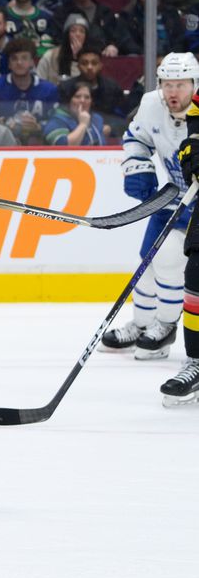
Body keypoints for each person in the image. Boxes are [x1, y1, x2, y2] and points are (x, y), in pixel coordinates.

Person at [105, 55, 194, 366]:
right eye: (168, 84)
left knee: (169, 259)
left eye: (181, 85)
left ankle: (166, 328)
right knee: (147, 264)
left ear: (194, 84)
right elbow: (136, 138)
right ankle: (142, 325)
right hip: (170, 197)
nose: (173, 92)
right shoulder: (151, 104)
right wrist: (138, 167)